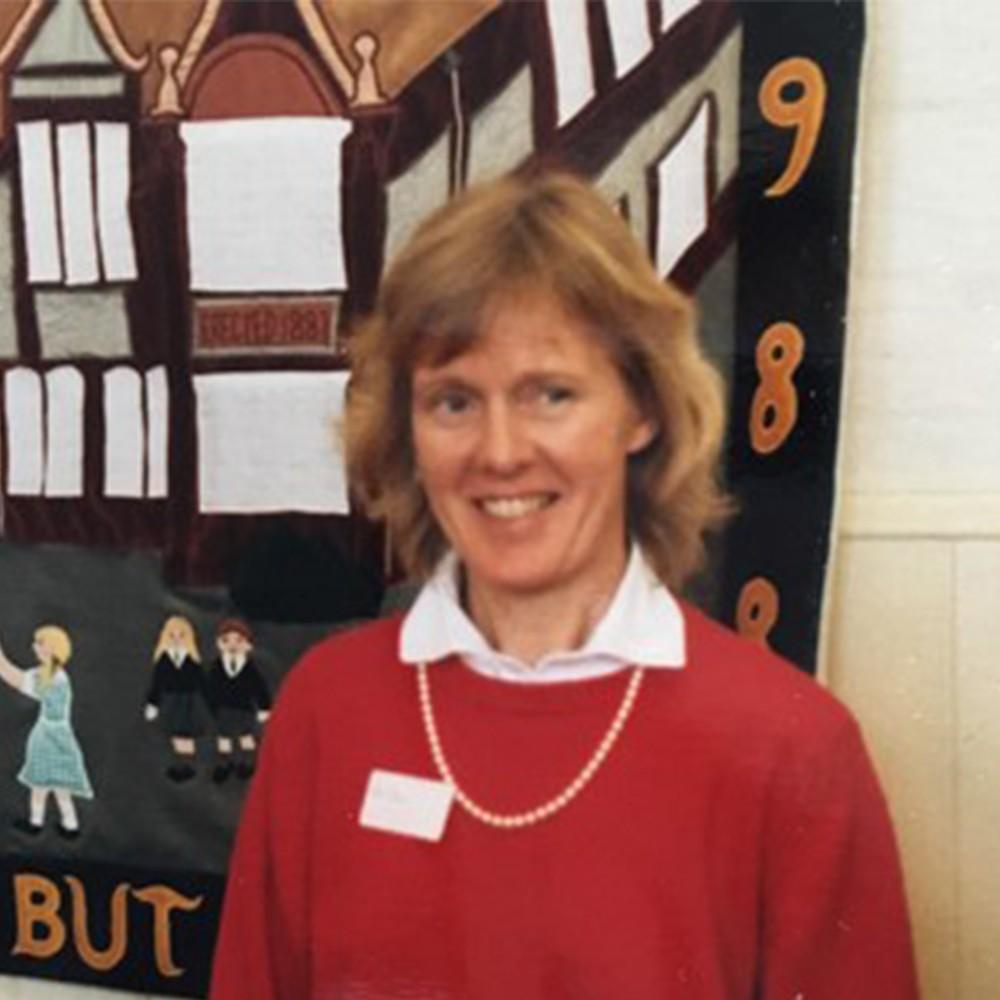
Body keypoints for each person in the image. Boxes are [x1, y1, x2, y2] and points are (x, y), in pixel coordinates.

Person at [210, 171, 918, 999]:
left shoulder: (793, 748)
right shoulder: (326, 711)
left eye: (550, 394)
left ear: (641, 410)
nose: (500, 451)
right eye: (453, 402)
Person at [0, 625, 93, 838]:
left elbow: (13, 678)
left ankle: (39, 823)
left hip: (49, 736)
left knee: (41, 784)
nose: (34, 647)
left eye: (40, 643)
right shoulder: (55, 675)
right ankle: (69, 825)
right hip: (59, 736)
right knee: (58, 787)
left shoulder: (51, 678)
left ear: (52, 649)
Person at [205, 617, 272, 784]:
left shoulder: (250, 669)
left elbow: (259, 689)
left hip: (245, 709)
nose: (233, 645)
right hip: (224, 709)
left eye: (239, 640)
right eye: (226, 640)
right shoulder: (217, 667)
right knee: (224, 739)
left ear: (248, 645)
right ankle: (225, 765)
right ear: (219, 644)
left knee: (245, 737)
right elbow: (210, 688)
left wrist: (264, 708)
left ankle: (248, 763)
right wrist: (210, 707)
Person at [144, 615, 208, 782]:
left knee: (187, 736)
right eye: (172, 635)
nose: (177, 640)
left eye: (181, 635)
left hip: (188, 701)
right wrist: (153, 704)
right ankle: (180, 765)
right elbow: (157, 684)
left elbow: (202, 683)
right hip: (171, 701)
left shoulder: (192, 660)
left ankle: (189, 765)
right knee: (175, 735)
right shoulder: (164, 661)